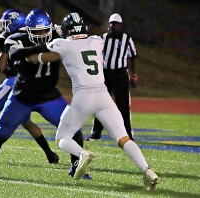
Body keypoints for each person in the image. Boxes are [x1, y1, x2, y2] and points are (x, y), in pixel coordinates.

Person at [25, 12, 159, 190]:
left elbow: (41, 56)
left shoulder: (62, 44)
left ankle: (82, 153)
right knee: (124, 138)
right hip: (103, 96)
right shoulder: (97, 41)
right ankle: (147, 170)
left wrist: (26, 56)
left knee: (62, 137)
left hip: (83, 97)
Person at [0, 9, 90, 180]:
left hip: (48, 95)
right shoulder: (17, 38)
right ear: (27, 29)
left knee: (74, 129)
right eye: (36, 32)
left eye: (45, 31)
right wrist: (46, 46)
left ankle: (76, 168)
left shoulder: (57, 33)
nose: (41, 35)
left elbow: (79, 34)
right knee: (1, 133)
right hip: (22, 96)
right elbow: (13, 51)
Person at [0, 8, 58, 164]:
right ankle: (50, 154)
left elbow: (1, 68)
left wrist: (2, 54)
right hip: (30, 83)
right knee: (26, 121)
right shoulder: (33, 36)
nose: (4, 27)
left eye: (7, 24)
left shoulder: (11, 39)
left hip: (13, 82)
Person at [86, 13, 137, 141]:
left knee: (123, 105)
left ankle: (127, 133)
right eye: (112, 23)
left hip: (120, 74)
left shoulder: (127, 39)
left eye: (117, 24)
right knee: (100, 104)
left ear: (120, 25)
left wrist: (134, 75)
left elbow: (132, 58)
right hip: (105, 74)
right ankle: (96, 133)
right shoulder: (102, 38)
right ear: (109, 24)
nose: (114, 26)